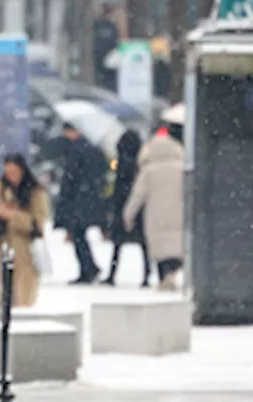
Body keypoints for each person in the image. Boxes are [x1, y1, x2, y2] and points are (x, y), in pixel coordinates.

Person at [0, 153, 50, 309]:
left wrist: (13, 216)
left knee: (23, 297)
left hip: (25, 251)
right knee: (2, 293)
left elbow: (37, 223)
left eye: (14, 173)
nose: (12, 178)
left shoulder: (35, 192)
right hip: (3, 247)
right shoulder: (0, 189)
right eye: (8, 173)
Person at [124, 130, 186, 291]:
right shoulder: (182, 168)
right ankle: (172, 272)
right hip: (178, 213)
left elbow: (137, 195)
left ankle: (164, 275)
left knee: (160, 247)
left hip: (156, 216)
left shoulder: (149, 170)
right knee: (176, 245)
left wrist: (128, 215)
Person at [56, 123, 107, 284]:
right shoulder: (92, 148)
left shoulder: (77, 150)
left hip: (79, 200)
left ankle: (88, 269)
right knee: (80, 235)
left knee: (78, 235)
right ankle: (89, 267)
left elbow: (71, 177)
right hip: (88, 198)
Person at [103, 130, 149, 287]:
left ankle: (112, 274)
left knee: (118, 244)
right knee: (143, 244)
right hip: (140, 207)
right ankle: (146, 274)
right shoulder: (141, 162)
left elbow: (117, 187)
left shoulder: (121, 162)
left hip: (122, 205)